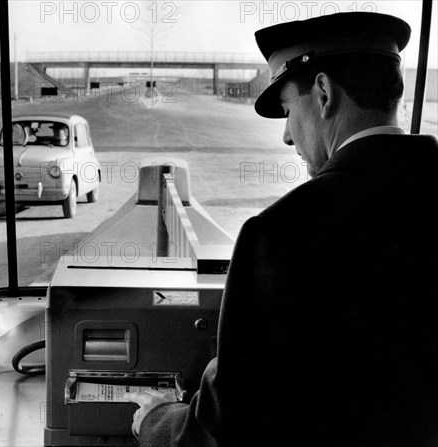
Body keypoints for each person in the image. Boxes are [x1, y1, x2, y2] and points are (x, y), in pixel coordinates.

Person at [125, 11, 438, 447]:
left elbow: (227, 430)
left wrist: (158, 419)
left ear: (325, 94)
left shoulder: (283, 234)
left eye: (288, 110)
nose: (288, 138)